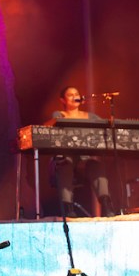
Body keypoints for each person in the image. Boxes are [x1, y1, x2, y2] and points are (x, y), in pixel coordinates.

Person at [49, 86, 116, 218]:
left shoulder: (91, 117)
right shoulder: (58, 115)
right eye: (70, 95)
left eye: (77, 94)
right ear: (63, 100)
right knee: (66, 163)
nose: (75, 96)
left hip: (84, 158)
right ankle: (68, 208)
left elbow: (105, 129)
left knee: (96, 165)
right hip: (66, 156)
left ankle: (107, 206)